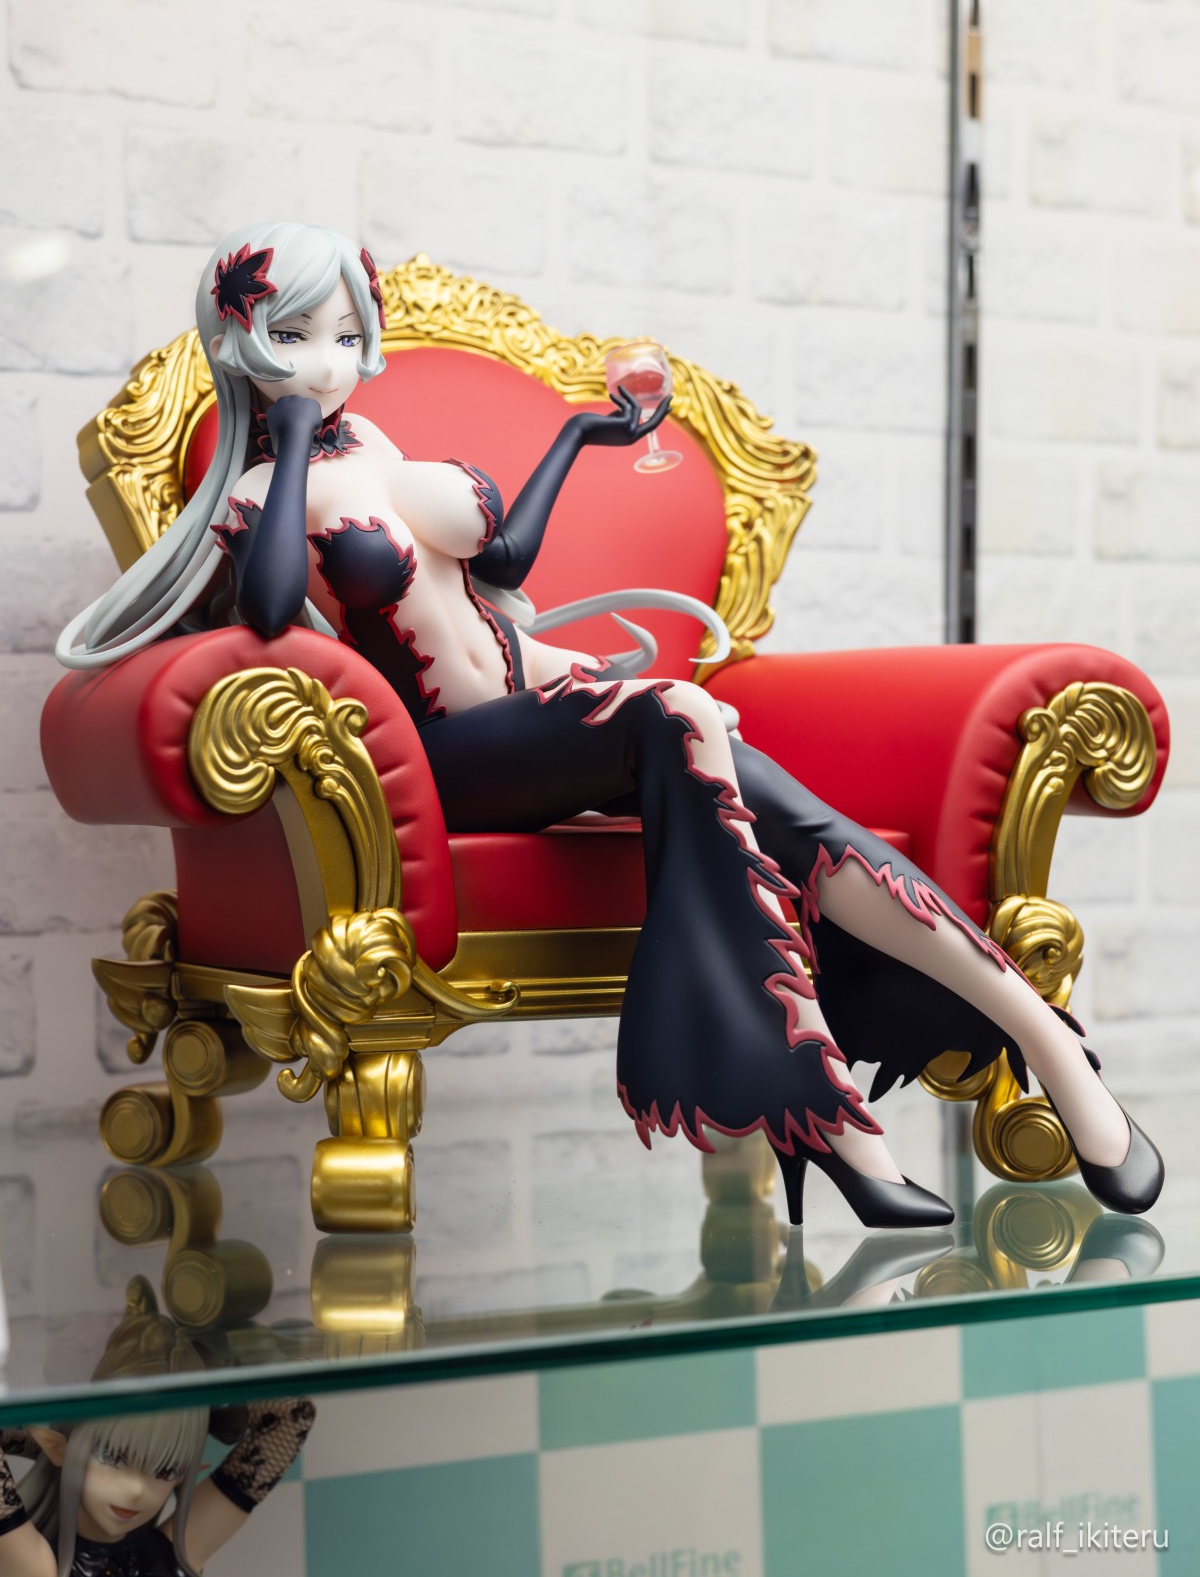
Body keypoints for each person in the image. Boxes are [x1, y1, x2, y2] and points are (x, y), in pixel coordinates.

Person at [57, 223, 1164, 1228]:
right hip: (439, 762)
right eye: (297, 336)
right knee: (680, 712)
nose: (329, 363)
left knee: (771, 798)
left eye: (346, 335)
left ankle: (1037, 1045)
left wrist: (580, 441)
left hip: (531, 713)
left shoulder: (383, 450)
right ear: (241, 340)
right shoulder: (257, 492)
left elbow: (495, 574)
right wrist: (291, 436)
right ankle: (836, 1096)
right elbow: (266, 611)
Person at [0, 1281, 313, 1577]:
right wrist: (52, 1450)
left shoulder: (172, 1555)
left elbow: (293, 1413)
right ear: (56, 1447)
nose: (137, 1489)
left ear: (184, 1473)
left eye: (165, 1469)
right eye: (112, 1456)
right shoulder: (37, 1569)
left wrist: (208, 1376)